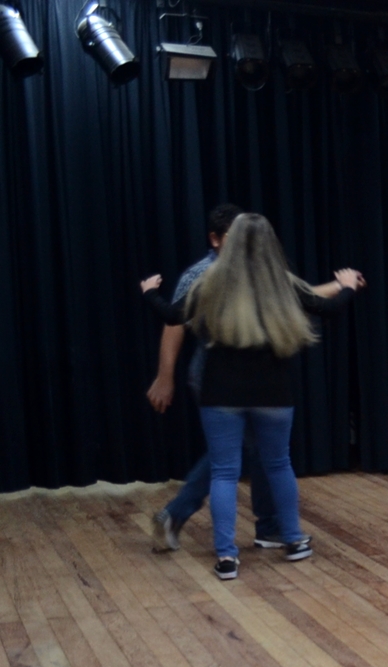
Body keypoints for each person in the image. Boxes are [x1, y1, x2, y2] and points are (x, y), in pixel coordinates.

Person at [140, 214, 362, 580]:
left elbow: (172, 315)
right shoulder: (281, 282)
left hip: (221, 391)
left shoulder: (210, 282)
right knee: (279, 464)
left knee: (224, 473)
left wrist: (149, 291)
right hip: (273, 392)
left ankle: (227, 558)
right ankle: (293, 540)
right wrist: (348, 286)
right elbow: (328, 308)